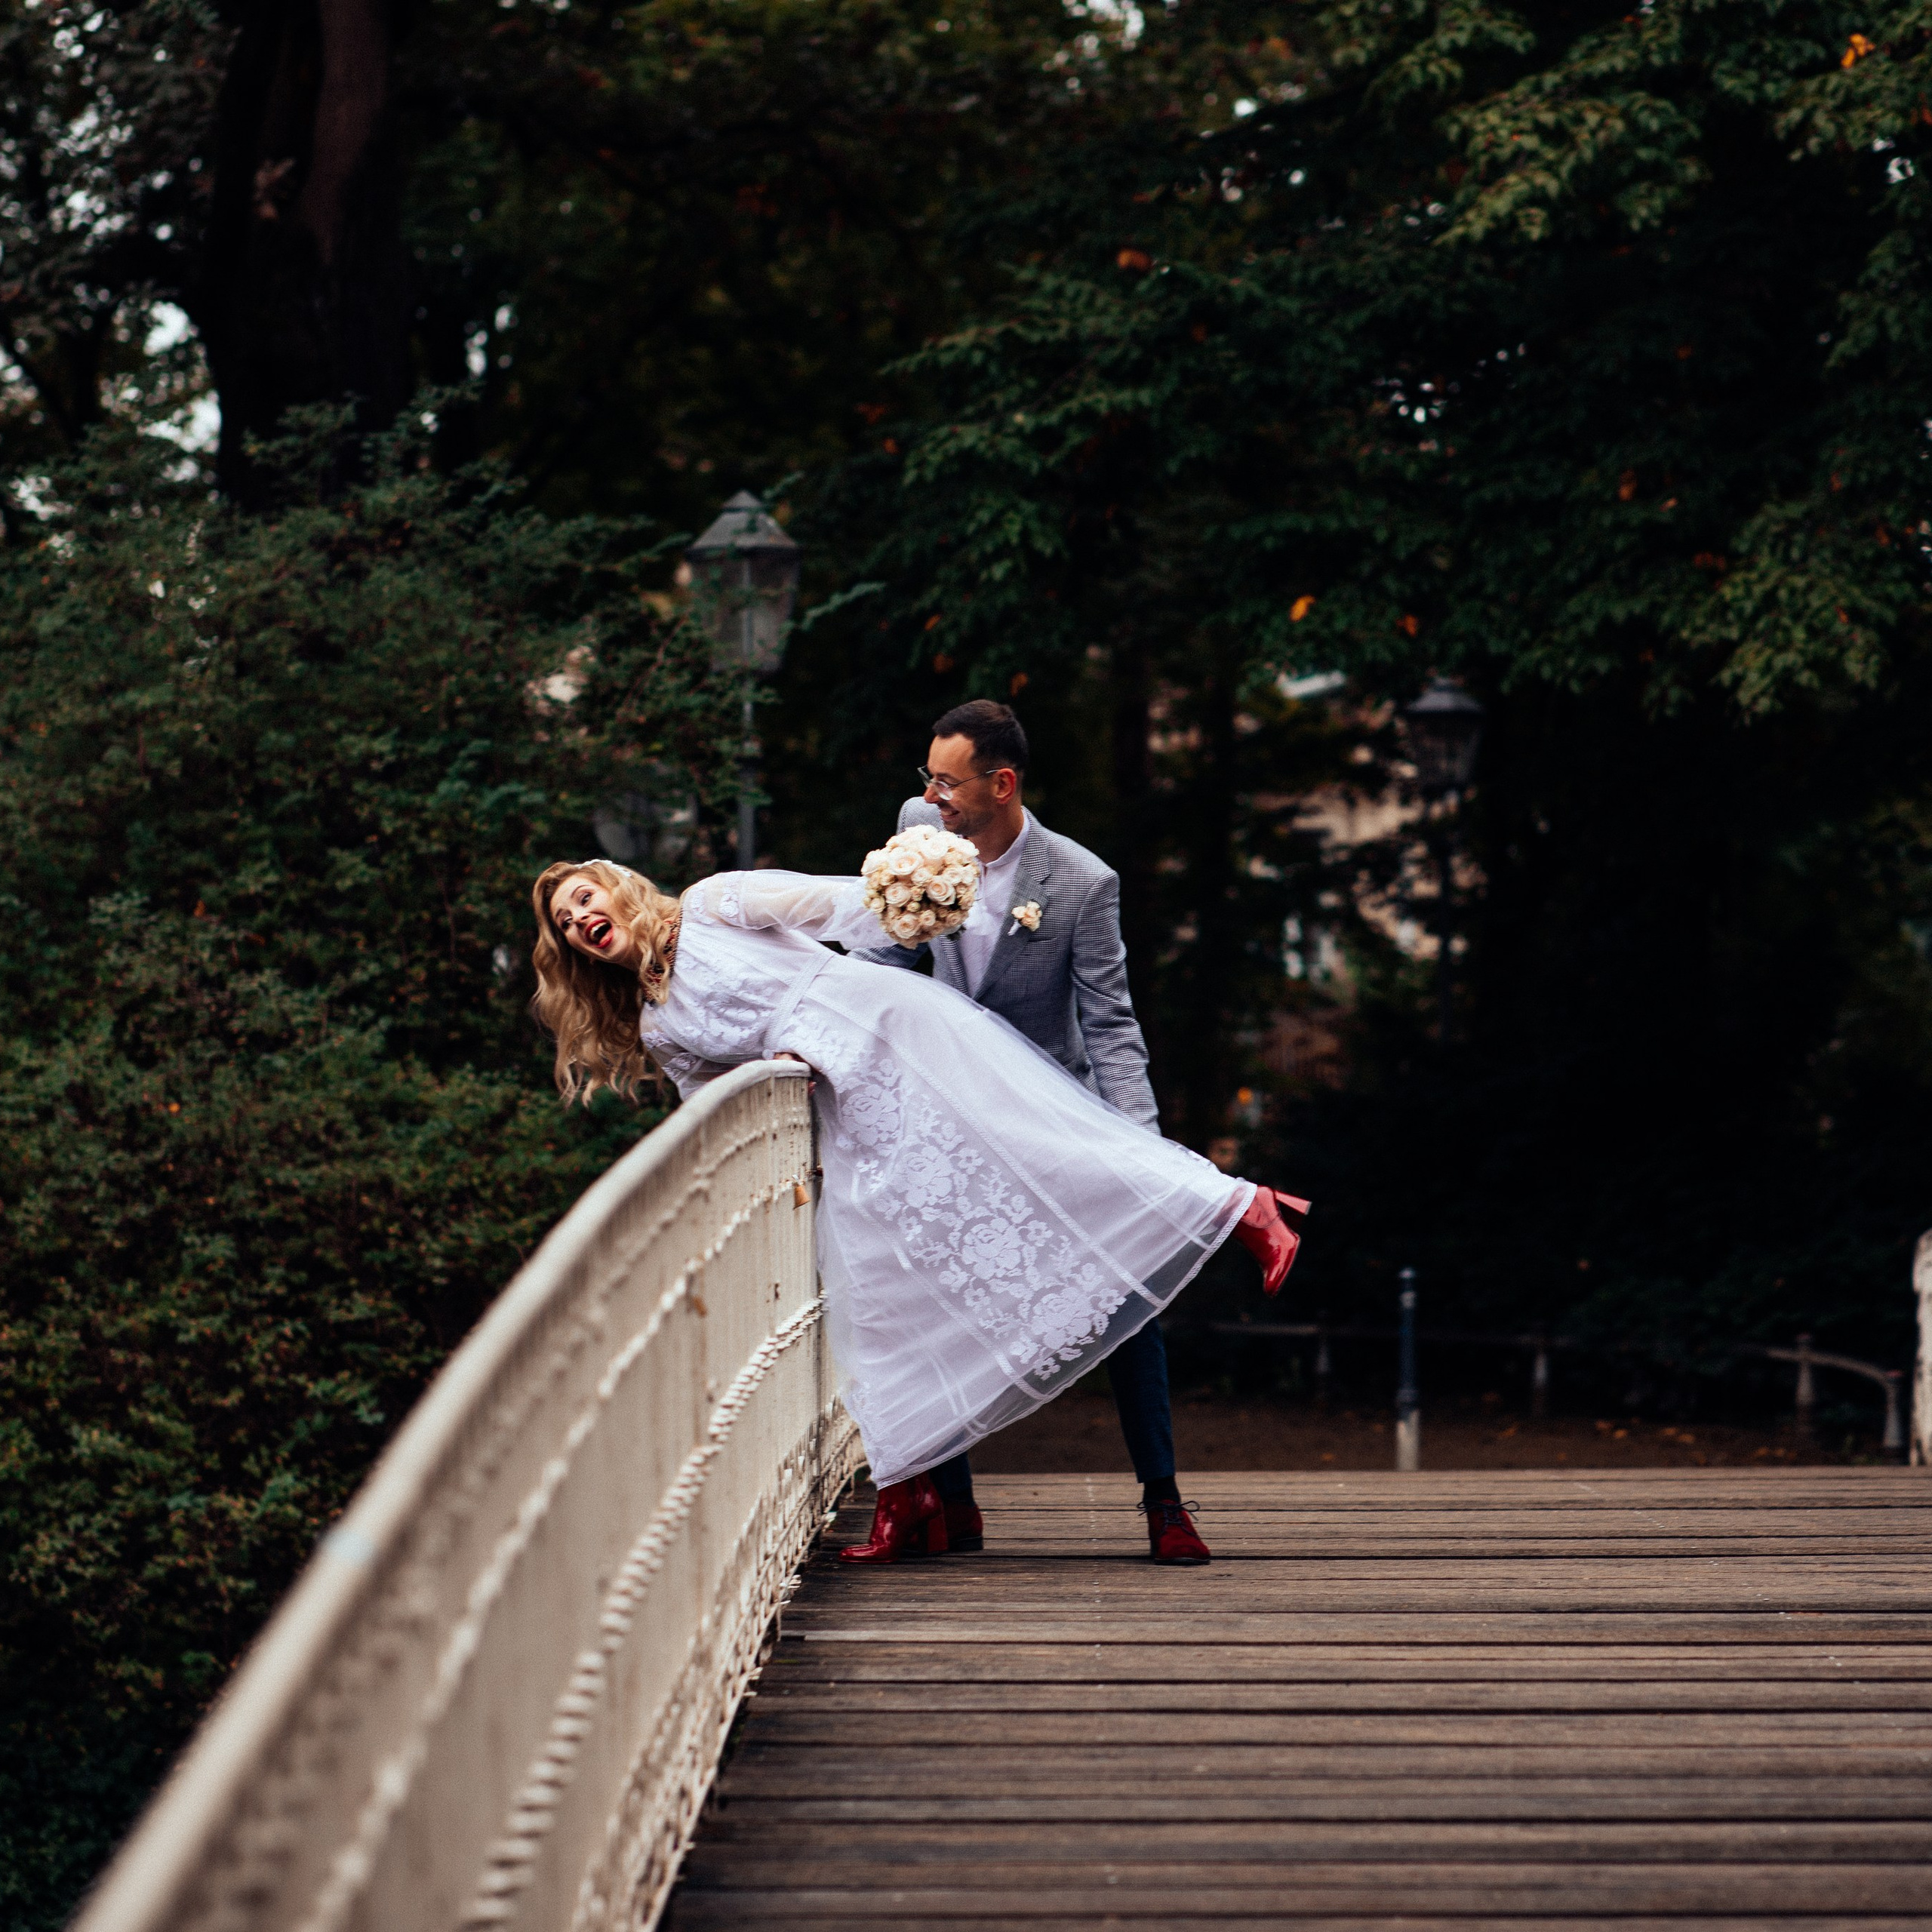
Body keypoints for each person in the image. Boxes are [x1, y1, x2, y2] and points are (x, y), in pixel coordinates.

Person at [528, 853, 1307, 1571]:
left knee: (1039, 1152)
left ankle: (1244, 1205)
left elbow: (838, 909)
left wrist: (915, 904)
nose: (579, 921)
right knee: (875, 1289)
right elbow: (717, 1113)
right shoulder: (661, 1026)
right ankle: (911, 1495)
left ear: (616, 885)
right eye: (565, 924)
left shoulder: (713, 903)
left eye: (582, 899)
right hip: (848, 1112)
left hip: (887, 1032)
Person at [863, 701, 1216, 1563]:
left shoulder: (1080, 881)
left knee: (1128, 1302)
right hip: (948, 1120)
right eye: (928, 780)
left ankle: (1164, 1503)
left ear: (1002, 784)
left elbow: (1110, 1025)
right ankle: (955, 1505)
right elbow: (880, 964)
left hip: (1050, 1118)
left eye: (947, 781)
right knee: (931, 1295)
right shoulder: (916, 838)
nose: (932, 796)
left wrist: (1145, 1150)